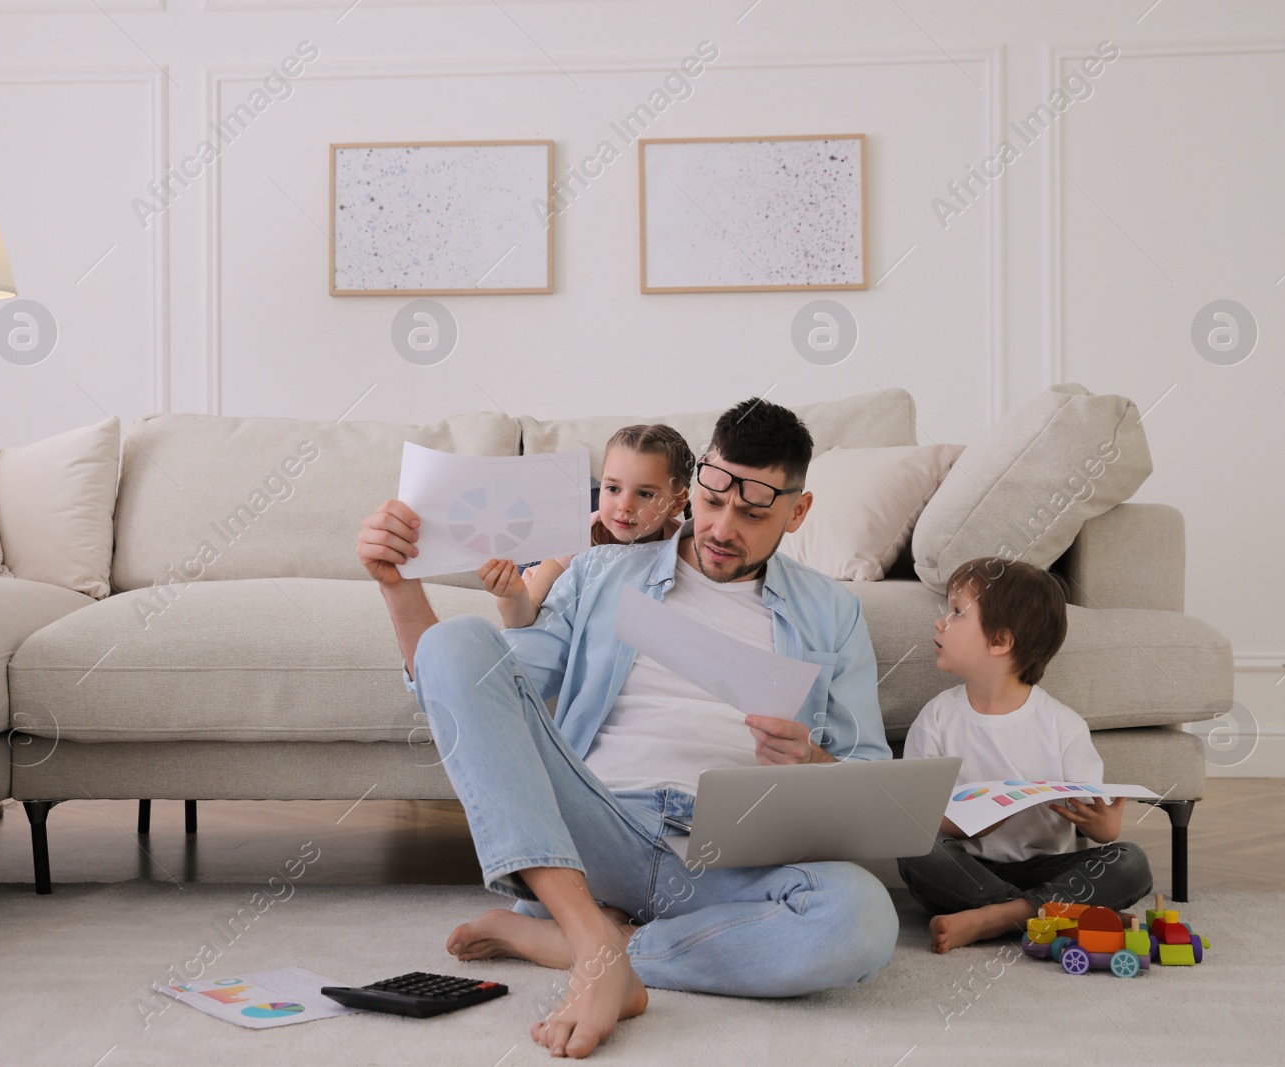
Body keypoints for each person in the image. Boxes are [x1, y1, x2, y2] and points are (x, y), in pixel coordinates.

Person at [355, 398, 897, 1059]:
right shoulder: (598, 571)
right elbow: (486, 684)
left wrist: (814, 762)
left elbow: (872, 781)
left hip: (729, 855)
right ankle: (591, 934)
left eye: (753, 514)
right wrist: (397, 585)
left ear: (798, 511)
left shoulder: (833, 613)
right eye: (711, 500)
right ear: (696, 482)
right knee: (456, 642)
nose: (723, 527)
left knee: (862, 919)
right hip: (601, 824)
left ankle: (587, 943)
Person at [896, 556, 1152, 954]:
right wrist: (961, 825)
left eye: (958, 613)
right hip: (969, 869)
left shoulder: (1062, 725)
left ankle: (995, 919)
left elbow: (1098, 827)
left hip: (1043, 869)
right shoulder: (938, 718)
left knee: (1130, 862)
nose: (940, 622)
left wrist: (1105, 826)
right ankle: (1050, 915)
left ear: (1000, 641)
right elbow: (914, 816)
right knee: (915, 848)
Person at [479, 424, 692, 628]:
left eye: (644, 493)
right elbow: (521, 620)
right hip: (564, 540)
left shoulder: (682, 547)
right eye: (613, 487)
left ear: (677, 503)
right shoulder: (574, 539)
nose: (625, 506)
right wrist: (513, 596)